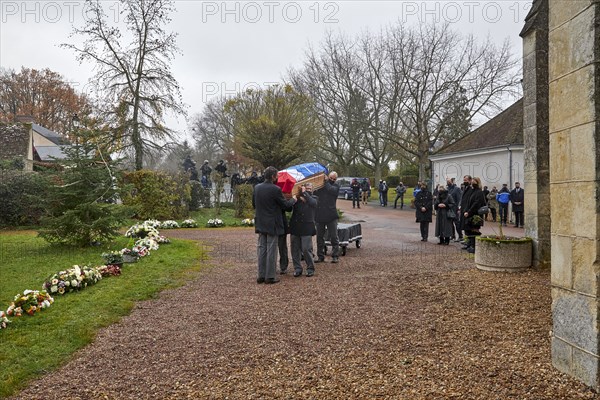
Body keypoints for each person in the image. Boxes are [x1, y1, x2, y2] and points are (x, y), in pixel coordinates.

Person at [253, 166, 297, 284]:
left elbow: (254, 204)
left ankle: (261, 275)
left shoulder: (257, 188)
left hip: (261, 223)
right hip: (272, 224)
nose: (277, 177)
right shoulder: (275, 189)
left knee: (262, 250)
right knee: (272, 250)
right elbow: (286, 206)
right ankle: (270, 276)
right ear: (273, 176)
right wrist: (293, 199)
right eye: (276, 176)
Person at [289, 182, 317, 277]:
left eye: (309, 189)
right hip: (295, 226)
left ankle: (310, 268)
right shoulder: (297, 198)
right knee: (295, 249)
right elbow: (289, 206)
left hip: (306, 227)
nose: (308, 190)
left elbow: (312, 203)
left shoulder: (314, 198)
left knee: (306, 248)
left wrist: (305, 193)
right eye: (306, 188)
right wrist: (294, 198)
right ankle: (297, 268)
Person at [315, 171, 340, 263]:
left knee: (334, 236)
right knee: (319, 237)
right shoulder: (321, 186)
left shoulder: (336, 186)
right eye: (331, 178)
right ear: (328, 176)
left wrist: (326, 182)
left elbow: (331, 190)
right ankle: (320, 256)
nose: (332, 180)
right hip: (320, 214)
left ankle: (335, 255)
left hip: (331, 214)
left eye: (334, 179)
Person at [462, 177, 487, 254]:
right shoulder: (472, 191)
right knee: (469, 230)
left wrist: (469, 212)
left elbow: (476, 204)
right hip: (470, 214)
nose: (472, 183)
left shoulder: (479, 192)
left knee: (475, 230)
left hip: (475, 215)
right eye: (472, 181)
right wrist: (465, 210)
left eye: (474, 181)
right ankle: (470, 245)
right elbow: (468, 202)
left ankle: (474, 246)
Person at [457, 175, 473, 243]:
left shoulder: (471, 189)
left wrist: (467, 209)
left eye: (466, 180)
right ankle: (467, 240)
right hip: (463, 209)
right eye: (464, 180)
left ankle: (469, 242)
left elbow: (469, 200)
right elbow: (462, 198)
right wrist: (460, 206)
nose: (464, 182)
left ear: (470, 180)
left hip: (468, 210)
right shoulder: (464, 188)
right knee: (464, 226)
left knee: (468, 226)